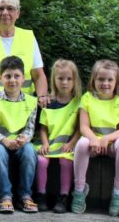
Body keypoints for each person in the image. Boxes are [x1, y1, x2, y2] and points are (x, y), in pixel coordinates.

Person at [71, 59, 119, 216]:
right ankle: (79, 190)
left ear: (116, 81)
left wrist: (106, 139)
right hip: (93, 144)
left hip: (112, 145)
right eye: (101, 79)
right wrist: (94, 139)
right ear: (94, 80)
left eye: (110, 79)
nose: (105, 83)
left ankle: (118, 191)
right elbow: (84, 126)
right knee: (81, 143)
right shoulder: (87, 98)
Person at [0, 56, 39, 214]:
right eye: (7, 76)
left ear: (24, 78)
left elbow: (30, 127)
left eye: (16, 76)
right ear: (0, 78)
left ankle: (25, 196)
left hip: (19, 144)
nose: (12, 80)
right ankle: (5, 196)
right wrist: (4, 140)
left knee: (29, 151)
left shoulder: (31, 101)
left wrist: (24, 138)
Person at [34, 59, 83, 213]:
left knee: (65, 161)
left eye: (69, 79)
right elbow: (43, 128)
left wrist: (72, 143)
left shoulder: (79, 102)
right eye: (60, 78)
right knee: (41, 160)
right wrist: (44, 143)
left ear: (75, 80)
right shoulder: (49, 102)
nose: (65, 83)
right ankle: (41, 195)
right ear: (54, 80)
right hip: (50, 143)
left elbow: (80, 128)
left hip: (68, 145)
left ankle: (63, 197)